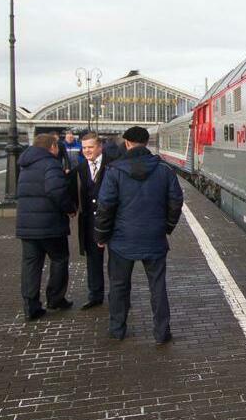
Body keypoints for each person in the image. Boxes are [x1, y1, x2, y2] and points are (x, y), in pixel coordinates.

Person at [95, 126, 183, 343]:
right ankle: (162, 332)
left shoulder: (114, 170)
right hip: (154, 237)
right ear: (146, 143)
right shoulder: (164, 169)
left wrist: (101, 236)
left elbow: (105, 206)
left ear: (127, 143)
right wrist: (167, 227)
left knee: (119, 285)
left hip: (121, 240)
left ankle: (117, 329)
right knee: (158, 286)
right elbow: (176, 201)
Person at [17, 133, 77, 320]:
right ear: (52, 147)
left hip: (27, 225)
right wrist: (69, 208)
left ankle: (30, 305)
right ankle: (55, 298)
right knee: (59, 259)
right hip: (50, 224)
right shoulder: (51, 163)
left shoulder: (25, 165)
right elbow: (55, 191)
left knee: (31, 265)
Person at [76, 132, 111, 309]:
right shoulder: (80, 168)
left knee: (116, 262)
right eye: (84, 148)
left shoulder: (112, 165)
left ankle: (117, 296)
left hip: (112, 222)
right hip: (89, 222)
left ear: (100, 147)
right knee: (93, 261)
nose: (87, 151)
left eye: (90, 147)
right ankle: (95, 295)